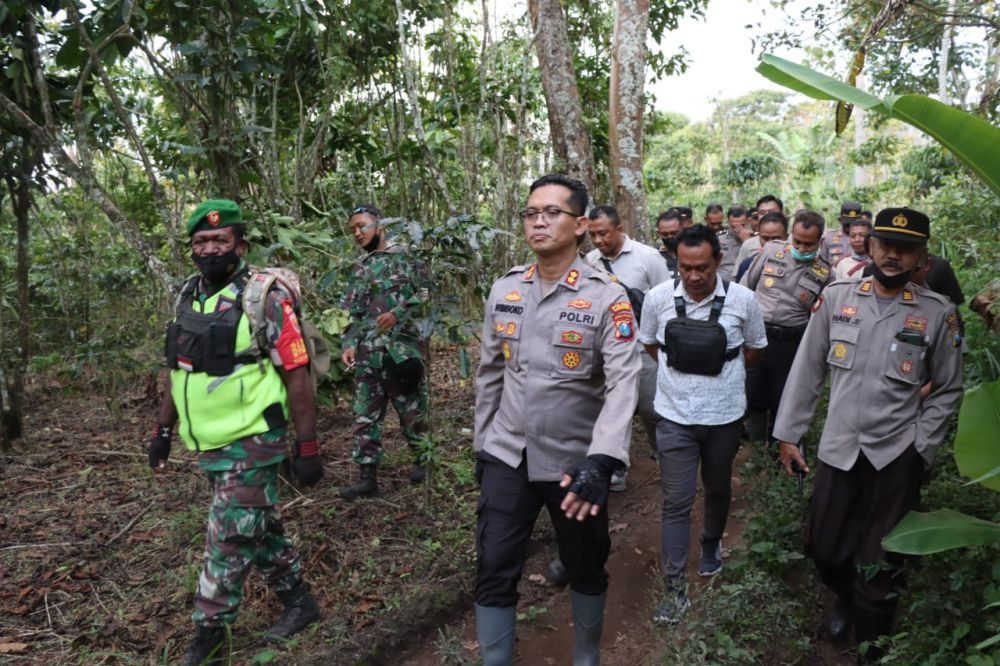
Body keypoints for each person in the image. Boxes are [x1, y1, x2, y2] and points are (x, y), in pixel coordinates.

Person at [773, 208, 964, 662]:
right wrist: (789, 435)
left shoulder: (939, 314)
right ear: (872, 246)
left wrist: (922, 446)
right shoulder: (837, 298)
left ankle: (870, 646)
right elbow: (807, 372)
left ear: (921, 256)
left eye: (906, 248)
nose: (893, 255)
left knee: (882, 556)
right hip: (840, 445)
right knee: (825, 545)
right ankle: (844, 593)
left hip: (897, 452)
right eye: (886, 245)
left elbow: (949, 387)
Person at [474, 174, 640, 665]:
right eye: (531, 213)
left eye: (552, 213)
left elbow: (623, 383)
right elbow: (490, 375)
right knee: (494, 563)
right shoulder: (506, 289)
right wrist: (484, 446)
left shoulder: (608, 296)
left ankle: (586, 654)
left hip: (575, 464)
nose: (539, 222)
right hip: (509, 453)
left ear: (581, 224)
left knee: (585, 563)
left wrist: (604, 459)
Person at [149, 199, 322, 666]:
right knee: (256, 527)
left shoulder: (265, 296)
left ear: (239, 245)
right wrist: (162, 430)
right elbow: (179, 370)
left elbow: (298, 372)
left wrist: (307, 446)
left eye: (219, 240)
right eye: (201, 241)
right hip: (209, 441)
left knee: (225, 537)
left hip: (254, 438)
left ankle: (210, 633)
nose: (209, 248)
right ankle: (301, 602)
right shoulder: (189, 294)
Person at [638, 224, 767, 624]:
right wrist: (684, 373)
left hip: (725, 417)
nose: (694, 276)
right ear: (677, 263)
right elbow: (649, 344)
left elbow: (755, 349)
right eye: (685, 267)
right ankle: (675, 587)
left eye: (702, 268)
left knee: (717, 487)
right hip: (673, 417)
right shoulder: (658, 298)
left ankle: (711, 544)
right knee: (676, 502)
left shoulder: (743, 300)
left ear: (719, 261)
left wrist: (719, 373)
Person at [338, 204, 428, 500]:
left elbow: (426, 294)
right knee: (365, 416)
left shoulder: (407, 259)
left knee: (411, 410)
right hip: (368, 355)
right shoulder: (360, 269)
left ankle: (424, 462)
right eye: (352, 229)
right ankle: (367, 477)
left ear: (380, 225)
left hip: (401, 352)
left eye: (361, 226)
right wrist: (348, 344)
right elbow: (349, 312)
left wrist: (398, 312)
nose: (357, 233)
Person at [587, 205, 671, 490]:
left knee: (651, 408)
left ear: (619, 230)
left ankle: (665, 456)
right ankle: (616, 467)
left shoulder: (648, 257)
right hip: (608, 351)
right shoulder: (590, 261)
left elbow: (667, 301)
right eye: (593, 235)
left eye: (603, 234)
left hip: (644, 348)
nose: (598, 241)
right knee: (612, 409)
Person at [740, 210, 832, 448]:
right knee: (751, 392)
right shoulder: (772, 251)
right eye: (797, 241)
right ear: (792, 235)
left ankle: (779, 448)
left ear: (820, 241)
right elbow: (746, 286)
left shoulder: (825, 274)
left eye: (808, 244)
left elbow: (821, 318)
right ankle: (755, 448)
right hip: (756, 335)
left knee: (784, 397)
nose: (801, 248)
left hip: (790, 343)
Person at [734, 211, 788, 280]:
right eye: (765, 238)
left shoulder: (794, 266)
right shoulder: (747, 265)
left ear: (786, 237)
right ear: (759, 237)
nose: (770, 244)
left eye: (775, 239)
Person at [820, 201, 863, 266]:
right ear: (840, 220)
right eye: (848, 224)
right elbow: (822, 263)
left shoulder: (868, 238)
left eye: (854, 224)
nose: (851, 227)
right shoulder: (828, 238)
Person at [714, 204, 748, 282]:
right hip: (722, 280)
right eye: (734, 226)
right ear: (728, 222)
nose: (737, 229)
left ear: (747, 221)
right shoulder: (719, 238)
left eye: (742, 225)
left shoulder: (755, 239)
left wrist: (747, 241)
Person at [656, 209, 684, 280]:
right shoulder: (654, 254)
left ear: (682, 229)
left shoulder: (694, 251)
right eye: (665, 234)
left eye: (674, 233)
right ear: (659, 233)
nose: (670, 237)